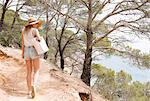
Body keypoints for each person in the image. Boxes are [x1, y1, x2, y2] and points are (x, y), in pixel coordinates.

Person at [21, 17, 42, 98]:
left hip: (26, 50)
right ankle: (34, 85)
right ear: (33, 24)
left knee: (29, 71)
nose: (36, 25)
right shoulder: (35, 30)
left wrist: (22, 53)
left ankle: (29, 91)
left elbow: (22, 42)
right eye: (36, 23)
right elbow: (39, 40)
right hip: (33, 50)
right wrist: (38, 38)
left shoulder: (23, 30)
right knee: (36, 70)